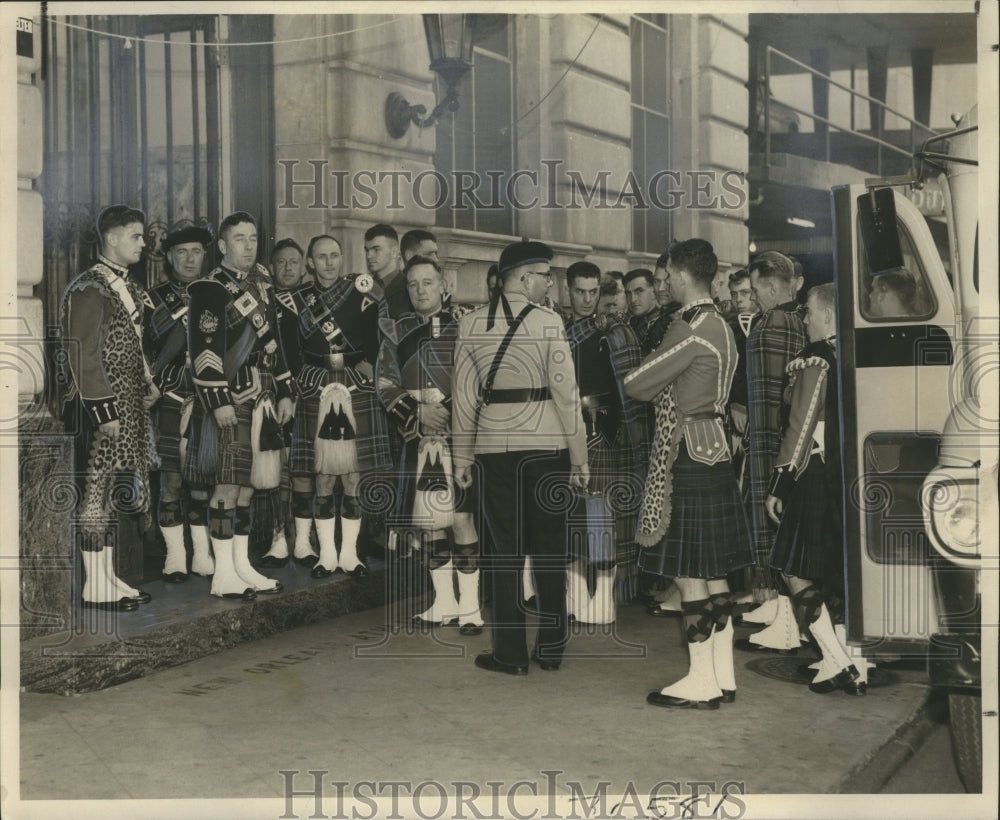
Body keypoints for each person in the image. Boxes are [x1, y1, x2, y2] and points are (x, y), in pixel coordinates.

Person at [624, 238, 754, 709]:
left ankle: (700, 679)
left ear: (681, 275)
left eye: (667, 277)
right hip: (714, 450)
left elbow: (637, 383)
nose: (665, 284)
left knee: (689, 573)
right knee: (715, 573)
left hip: (685, 454)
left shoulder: (690, 327)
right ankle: (722, 675)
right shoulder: (721, 323)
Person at [453, 239, 589, 674]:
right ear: (525, 278)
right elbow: (568, 396)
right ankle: (551, 648)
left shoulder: (470, 323)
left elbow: (463, 399)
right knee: (549, 549)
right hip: (548, 448)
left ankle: (509, 654)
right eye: (545, 275)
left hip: (493, 451)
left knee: (503, 554)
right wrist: (580, 457)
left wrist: (461, 458)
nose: (550, 283)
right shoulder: (550, 323)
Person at [184, 211, 295, 601]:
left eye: (253, 238)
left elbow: (275, 343)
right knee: (226, 485)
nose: (249, 246)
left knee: (248, 488)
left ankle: (242, 565)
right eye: (240, 239)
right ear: (223, 246)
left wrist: (285, 391)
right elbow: (203, 351)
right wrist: (217, 400)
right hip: (231, 398)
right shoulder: (210, 289)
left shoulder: (262, 287)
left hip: (262, 399)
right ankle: (223, 574)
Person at [765, 283, 868, 694]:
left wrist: (781, 482)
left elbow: (801, 423)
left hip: (812, 472)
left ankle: (838, 660)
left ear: (826, 315)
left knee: (793, 569)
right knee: (832, 573)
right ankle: (842, 661)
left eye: (808, 311)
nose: (803, 318)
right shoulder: (856, 351)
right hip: (848, 476)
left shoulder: (815, 358)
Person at [376, 255, 484, 634]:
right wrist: (418, 413)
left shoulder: (467, 326)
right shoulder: (394, 330)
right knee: (428, 523)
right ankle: (444, 602)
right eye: (414, 284)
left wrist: (447, 412)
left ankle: (471, 607)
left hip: (458, 435)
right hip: (416, 434)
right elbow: (384, 383)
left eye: (428, 282)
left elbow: (478, 380)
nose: (421, 290)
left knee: (461, 518)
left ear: (444, 285)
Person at [60, 204, 159, 611]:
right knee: (94, 497)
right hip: (101, 412)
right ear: (112, 238)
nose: (143, 243)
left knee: (111, 496)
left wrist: (147, 383)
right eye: (135, 235)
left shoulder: (128, 286)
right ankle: (93, 586)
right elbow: (82, 355)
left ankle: (105, 577)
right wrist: (106, 412)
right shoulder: (90, 287)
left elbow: (131, 346)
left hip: (126, 405)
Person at [276, 234, 392, 580]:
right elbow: (289, 353)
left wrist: (371, 368)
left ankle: (350, 553)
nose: (329, 262)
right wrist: (306, 382)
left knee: (354, 475)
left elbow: (380, 340)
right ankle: (326, 553)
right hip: (316, 388)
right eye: (321, 257)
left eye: (335, 255)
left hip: (358, 388)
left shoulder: (365, 292)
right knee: (324, 476)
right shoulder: (295, 301)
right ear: (310, 263)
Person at [563, 262, 649, 624]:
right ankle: (578, 595)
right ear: (567, 290)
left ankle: (604, 600)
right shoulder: (561, 330)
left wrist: (632, 443)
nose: (587, 299)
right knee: (571, 518)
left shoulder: (616, 332)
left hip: (604, 431)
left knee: (599, 519)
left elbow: (633, 394)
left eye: (593, 291)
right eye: (580, 291)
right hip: (568, 431)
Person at [737, 250, 808, 652]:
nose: (754, 295)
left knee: (774, 530)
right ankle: (784, 621)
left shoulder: (774, 322)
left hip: (771, 440)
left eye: (756, 288)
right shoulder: (792, 320)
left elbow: (780, 393)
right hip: (774, 438)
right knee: (776, 530)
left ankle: (787, 628)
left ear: (768, 284)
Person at [144, 221, 216, 583]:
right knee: (171, 481)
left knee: (202, 482)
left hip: (207, 396)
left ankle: (202, 553)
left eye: (196, 252)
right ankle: (175, 555)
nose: (190, 259)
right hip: (169, 396)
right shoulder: (153, 299)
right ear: (169, 258)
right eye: (182, 253)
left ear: (206, 256)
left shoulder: (218, 293)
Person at [256, 238, 318, 569]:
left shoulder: (313, 300)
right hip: (271, 395)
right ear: (272, 266)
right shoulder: (260, 301)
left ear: (304, 264)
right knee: (276, 468)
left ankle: (305, 540)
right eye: (281, 262)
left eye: (294, 261)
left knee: (304, 468)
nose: (288, 268)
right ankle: (278, 538)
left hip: (307, 393)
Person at [624, 268, 672, 356]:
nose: (633, 299)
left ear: (654, 291)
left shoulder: (667, 324)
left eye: (639, 291)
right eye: (628, 293)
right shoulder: (629, 324)